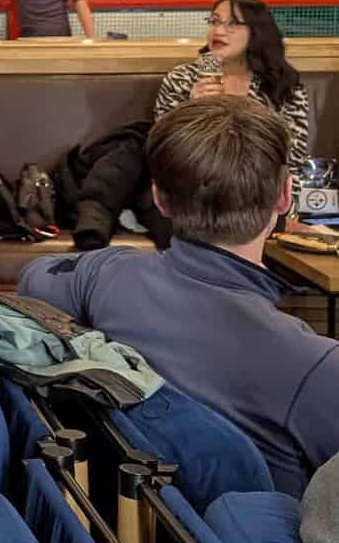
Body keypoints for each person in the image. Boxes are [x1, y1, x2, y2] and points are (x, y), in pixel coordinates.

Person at [19, 94, 339, 496]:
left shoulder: (104, 275)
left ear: (159, 199)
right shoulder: (315, 367)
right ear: (285, 196)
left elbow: (32, 279)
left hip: (114, 533)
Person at [152, 0, 312, 176]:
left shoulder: (283, 85)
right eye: (214, 21)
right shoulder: (182, 79)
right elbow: (165, 152)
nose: (218, 31)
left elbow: (292, 160)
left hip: (262, 186)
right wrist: (192, 110)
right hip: (196, 185)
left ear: (257, 32)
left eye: (233, 24)